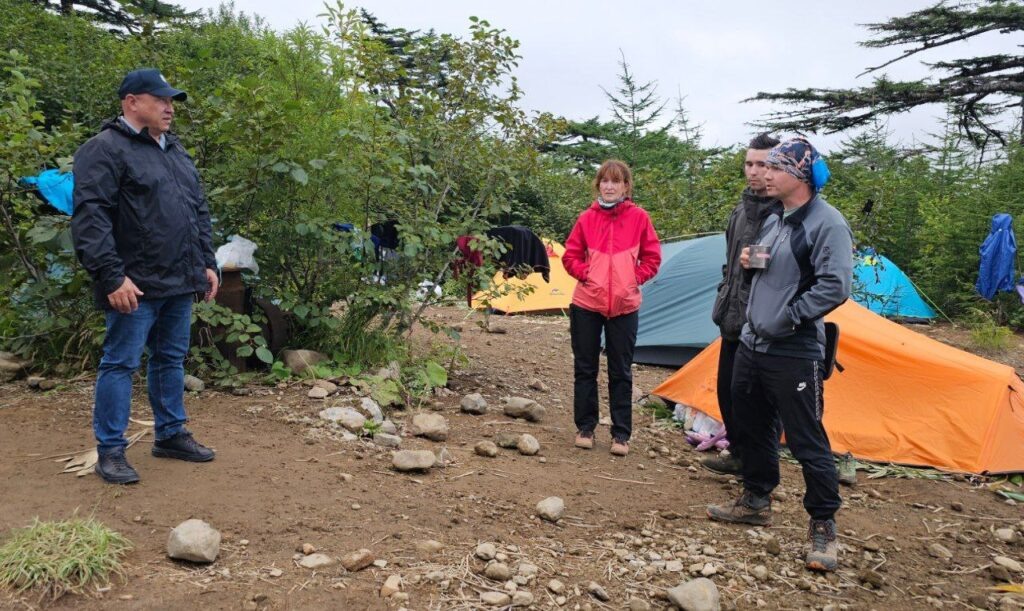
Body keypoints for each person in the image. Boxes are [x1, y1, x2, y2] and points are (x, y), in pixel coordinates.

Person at [706, 138, 853, 573]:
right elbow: (766, 270)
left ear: (800, 175)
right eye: (763, 167)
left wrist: (788, 316)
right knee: (750, 423)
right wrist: (753, 272)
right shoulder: (778, 220)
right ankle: (756, 498)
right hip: (753, 345)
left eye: (775, 168)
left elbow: (835, 285)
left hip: (794, 348)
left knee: (807, 438)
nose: (764, 174)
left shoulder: (828, 223)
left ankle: (823, 526)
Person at [72, 68, 219, 485]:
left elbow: (197, 210)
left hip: (178, 278)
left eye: (171, 101)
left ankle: (170, 434)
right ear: (132, 102)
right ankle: (111, 451)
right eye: (160, 99)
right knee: (120, 363)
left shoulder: (173, 149)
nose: (169, 107)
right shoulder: (103, 149)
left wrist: (205, 262)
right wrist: (111, 276)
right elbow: (90, 219)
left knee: (170, 359)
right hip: (132, 284)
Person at [562, 160, 661, 456]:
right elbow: (570, 256)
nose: (608, 186)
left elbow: (652, 258)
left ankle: (621, 434)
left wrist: (633, 279)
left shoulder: (639, 218)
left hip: (625, 305)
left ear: (625, 186)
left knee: (620, 371)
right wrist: (586, 275)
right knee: (585, 368)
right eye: (604, 181)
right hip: (587, 304)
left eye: (615, 181)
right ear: (598, 185)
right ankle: (585, 427)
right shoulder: (586, 218)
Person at [704, 133, 780, 476]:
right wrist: (726, 287)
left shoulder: (782, 214)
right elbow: (730, 261)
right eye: (749, 163)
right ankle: (737, 453)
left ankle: (757, 467)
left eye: (762, 164)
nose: (753, 171)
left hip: (761, 322)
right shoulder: (740, 211)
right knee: (728, 391)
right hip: (732, 316)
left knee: (757, 400)